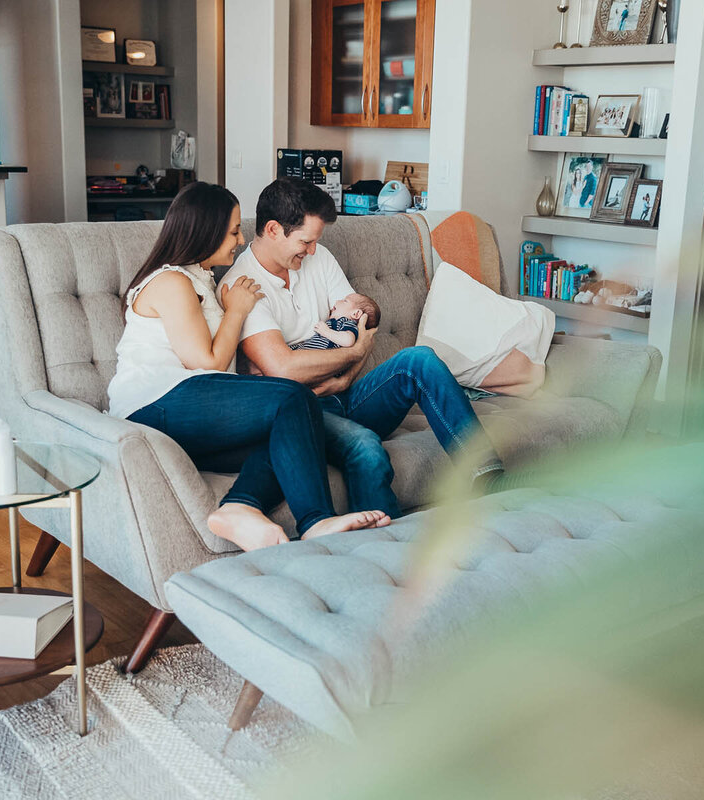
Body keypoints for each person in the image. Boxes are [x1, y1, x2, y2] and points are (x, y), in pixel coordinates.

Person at [106, 181, 390, 551]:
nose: (240, 239)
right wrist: (237, 311)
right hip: (156, 402)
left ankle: (239, 506)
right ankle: (316, 520)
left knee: (296, 432)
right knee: (291, 396)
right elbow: (206, 362)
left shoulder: (200, 279)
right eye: (234, 230)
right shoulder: (171, 281)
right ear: (204, 232)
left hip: (190, 409)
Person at [219, 177, 505, 520]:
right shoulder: (241, 285)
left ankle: (488, 478)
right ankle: (380, 546)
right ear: (273, 229)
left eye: (315, 242)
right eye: (305, 241)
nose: (311, 251)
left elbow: (362, 327)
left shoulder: (319, 258)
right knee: (366, 447)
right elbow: (284, 370)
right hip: (301, 416)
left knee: (420, 361)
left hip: (347, 393)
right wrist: (350, 356)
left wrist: (346, 375)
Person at [291, 292, 380, 351]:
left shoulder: (348, 323)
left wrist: (326, 331)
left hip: (319, 362)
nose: (337, 301)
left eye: (345, 301)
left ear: (356, 314)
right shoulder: (336, 323)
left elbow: (348, 340)